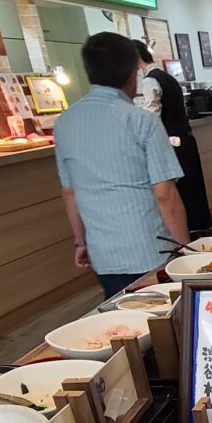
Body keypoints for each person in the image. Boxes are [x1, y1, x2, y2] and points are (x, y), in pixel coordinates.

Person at [54, 32, 189, 298]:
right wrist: (185, 250)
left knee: (124, 321)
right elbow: (165, 194)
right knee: (164, 324)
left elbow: (69, 192)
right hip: (151, 250)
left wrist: (80, 242)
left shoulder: (64, 123)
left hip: (103, 254)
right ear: (132, 73)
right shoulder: (142, 121)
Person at [134, 40, 212, 231]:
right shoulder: (167, 77)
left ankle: (189, 235)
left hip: (172, 145)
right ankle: (202, 230)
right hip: (186, 140)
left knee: (181, 193)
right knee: (194, 190)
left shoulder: (150, 80)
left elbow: (150, 119)